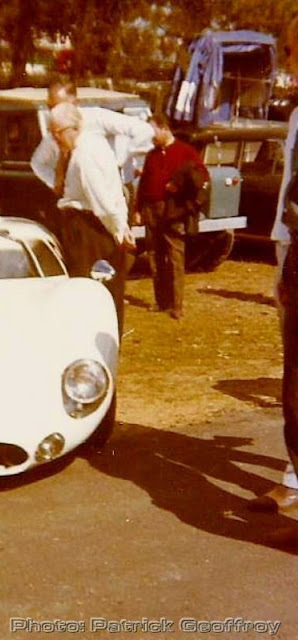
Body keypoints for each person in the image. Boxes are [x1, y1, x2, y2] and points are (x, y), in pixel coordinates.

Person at [249, 12, 298, 516]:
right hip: (295, 247)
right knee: (295, 377)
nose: (290, 59)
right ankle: (293, 480)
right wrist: (281, 247)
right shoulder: (297, 113)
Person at [49, 101, 136, 336]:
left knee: (90, 292)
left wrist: (118, 231)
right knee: (107, 290)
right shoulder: (97, 145)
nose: (55, 139)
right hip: (98, 226)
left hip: (89, 231)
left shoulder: (84, 156)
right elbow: (116, 193)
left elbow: (103, 201)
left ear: (74, 128)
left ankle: (95, 342)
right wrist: (122, 225)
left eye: (57, 133)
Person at [31, 77, 154, 235]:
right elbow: (37, 162)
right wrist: (55, 182)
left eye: (57, 105)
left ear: (74, 101)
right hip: (79, 207)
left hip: (111, 196)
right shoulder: (55, 132)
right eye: (50, 106)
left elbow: (143, 130)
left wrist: (120, 160)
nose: (53, 111)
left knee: (117, 239)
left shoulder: (96, 117)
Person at [135, 114, 209, 320]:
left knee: (175, 256)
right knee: (154, 256)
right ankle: (161, 301)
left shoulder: (186, 151)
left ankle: (177, 305)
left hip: (173, 211)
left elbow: (201, 176)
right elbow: (143, 184)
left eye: (153, 131)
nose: (150, 136)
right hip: (151, 210)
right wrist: (137, 209)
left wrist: (180, 187)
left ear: (165, 128)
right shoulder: (151, 155)